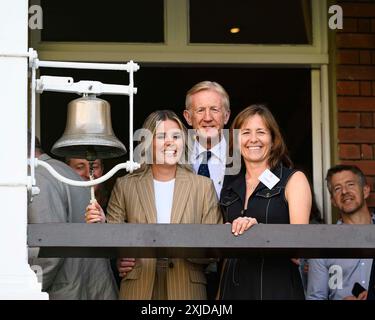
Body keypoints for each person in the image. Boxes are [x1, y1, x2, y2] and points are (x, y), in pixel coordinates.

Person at [85, 110, 222, 300]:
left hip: (187, 289)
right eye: (161, 136)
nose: (170, 142)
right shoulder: (125, 185)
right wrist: (102, 224)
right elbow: (113, 243)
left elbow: (213, 249)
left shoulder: (203, 186)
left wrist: (175, 246)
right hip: (139, 287)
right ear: (148, 143)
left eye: (176, 136)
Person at [218, 104, 312, 300]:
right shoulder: (228, 186)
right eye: (245, 133)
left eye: (261, 132)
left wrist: (259, 233)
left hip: (276, 286)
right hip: (232, 287)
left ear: (273, 139)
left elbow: (300, 247)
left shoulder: (293, 180)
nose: (253, 139)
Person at [28, 135, 118, 299]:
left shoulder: (38, 176)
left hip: (67, 292)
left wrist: (28, 289)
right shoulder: (67, 173)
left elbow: (47, 250)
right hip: (94, 289)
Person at [183, 81, 231, 300]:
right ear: (188, 117)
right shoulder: (173, 156)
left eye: (214, 109)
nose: (207, 117)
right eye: (200, 110)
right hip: (182, 265)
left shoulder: (246, 154)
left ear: (226, 116)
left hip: (232, 266)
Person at [307, 164, 373, 300]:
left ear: (365, 191)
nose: (344, 192)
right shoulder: (322, 244)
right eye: (337, 188)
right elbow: (315, 297)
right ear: (333, 201)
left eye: (350, 184)